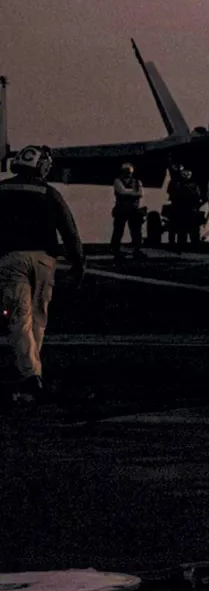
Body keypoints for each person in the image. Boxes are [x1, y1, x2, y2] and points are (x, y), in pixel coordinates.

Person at [0, 146, 85, 407]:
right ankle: (32, 373)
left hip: (11, 259)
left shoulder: (2, 189)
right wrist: (78, 261)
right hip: (45, 260)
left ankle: (30, 375)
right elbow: (69, 229)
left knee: (19, 317)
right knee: (38, 317)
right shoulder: (49, 192)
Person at [111, 163, 146, 260]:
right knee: (118, 230)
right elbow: (122, 191)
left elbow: (140, 193)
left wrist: (130, 192)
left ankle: (137, 250)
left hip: (133, 210)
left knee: (136, 231)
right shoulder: (117, 181)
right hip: (121, 209)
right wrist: (134, 192)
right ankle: (115, 249)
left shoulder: (137, 181)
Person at [165, 165, 203, 249]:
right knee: (181, 228)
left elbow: (197, 196)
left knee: (191, 228)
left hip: (188, 208)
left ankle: (192, 244)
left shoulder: (193, 185)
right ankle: (182, 244)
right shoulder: (175, 183)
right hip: (180, 207)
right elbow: (171, 194)